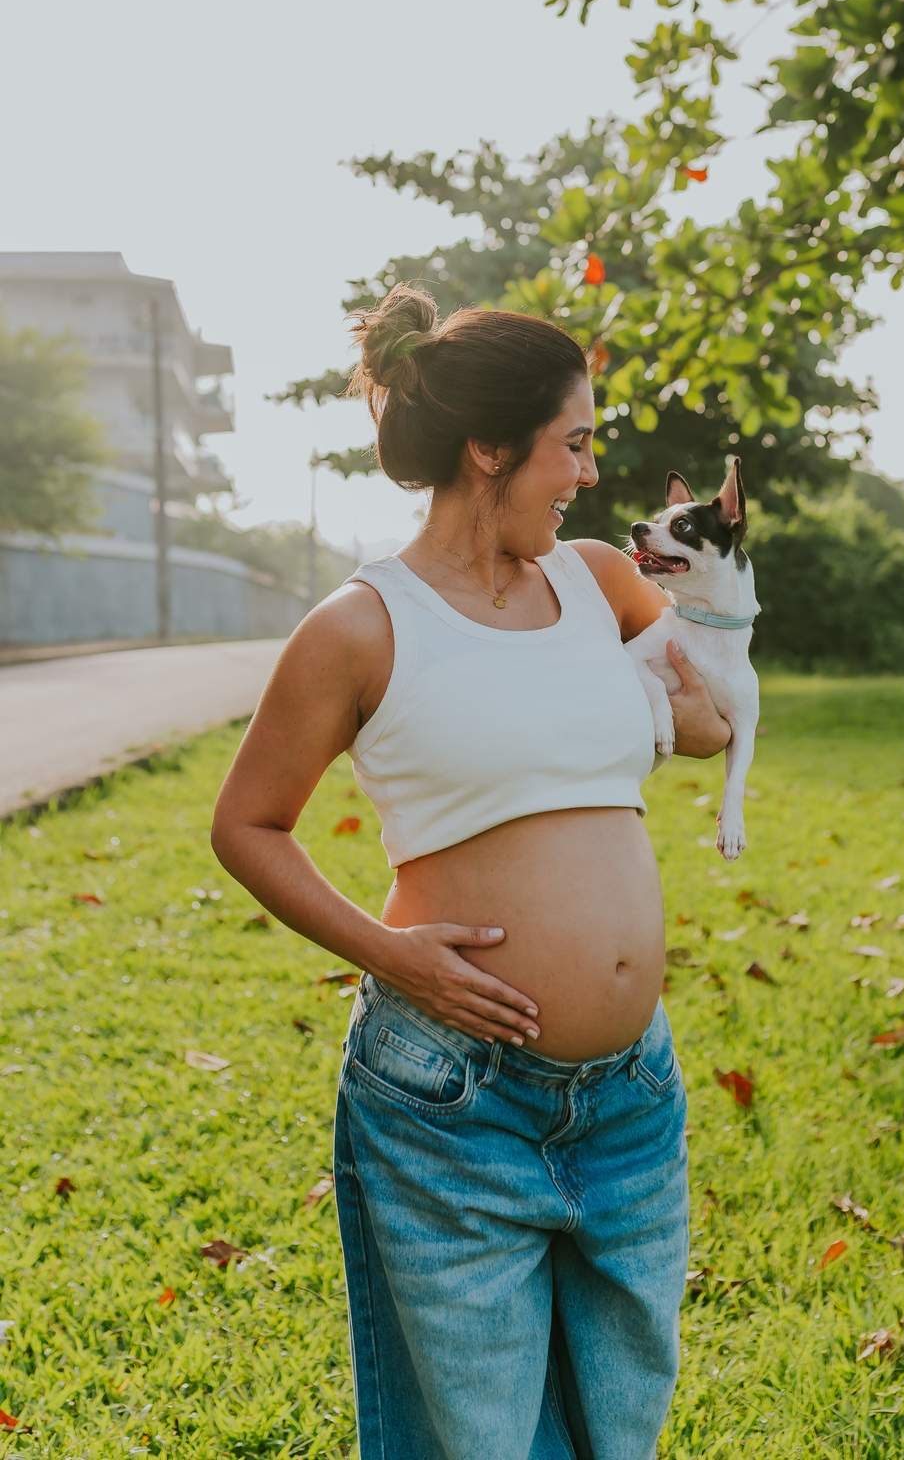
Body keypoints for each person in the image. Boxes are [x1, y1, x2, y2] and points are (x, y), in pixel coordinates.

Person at [210, 283, 732, 1460]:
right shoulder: (360, 628)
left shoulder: (598, 582)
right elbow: (247, 825)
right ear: (490, 447)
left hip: (630, 1097)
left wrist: (698, 678)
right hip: (455, 1098)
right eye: (577, 444)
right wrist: (391, 955)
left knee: (617, 1433)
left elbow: (707, 730)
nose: (591, 475)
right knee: (481, 1440)